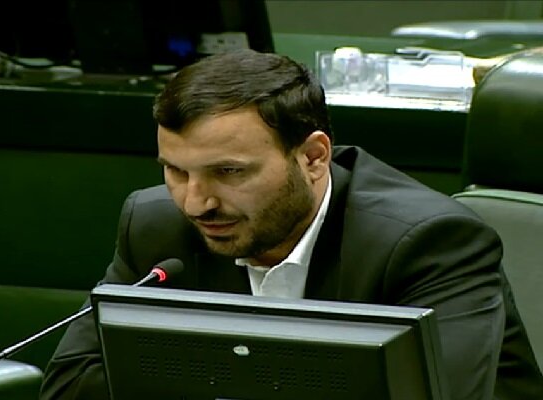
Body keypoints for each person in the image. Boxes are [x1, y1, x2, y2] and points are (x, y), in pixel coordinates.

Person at [40, 49, 543, 400]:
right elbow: (69, 385)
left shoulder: (429, 243)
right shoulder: (157, 227)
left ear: (313, 157)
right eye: (175, 171)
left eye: (229, 172)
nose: (195, 203)